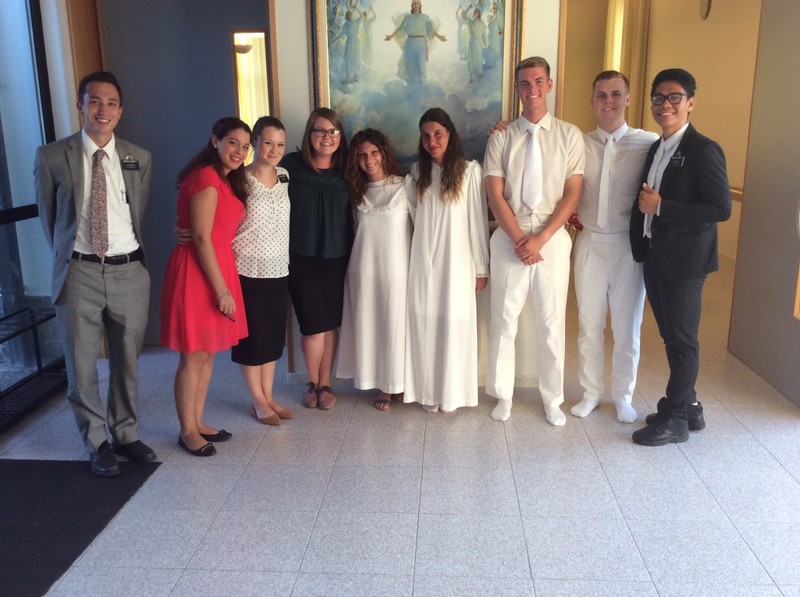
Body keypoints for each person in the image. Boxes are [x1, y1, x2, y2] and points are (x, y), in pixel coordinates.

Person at [34, 71, 155, 476]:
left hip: (129, 271)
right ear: (81, 106)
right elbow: (51, 221)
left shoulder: (138, 157)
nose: (103, 109)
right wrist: (74, 258)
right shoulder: (53, 156)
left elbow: (136, 211)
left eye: (111, 103)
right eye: (95, 101)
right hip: (80, 271)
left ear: (121, 111)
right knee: (82, 365)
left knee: (127, 361)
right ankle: (96, 440)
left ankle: (125, 433)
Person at [630, 68, 731, 445]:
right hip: (656, 254)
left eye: (674, 97)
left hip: (686, 262)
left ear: (691, 103)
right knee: (671, 335)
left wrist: (662, 207)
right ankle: (689, 406)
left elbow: (720, 208)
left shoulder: (704, 150)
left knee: (683, 340)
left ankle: (674, 420)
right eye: (658, 98)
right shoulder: (657, 147)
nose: (665, 105)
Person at [483, 56, 585, 425]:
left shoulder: (569, 135)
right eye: (525, 83)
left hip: (552, 236)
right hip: (509, 235)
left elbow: (573, 194)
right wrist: (519, 239)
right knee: (504, 320)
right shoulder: (502, 136)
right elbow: (495, 194)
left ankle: (552, 399)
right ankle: (503, 394)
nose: (532, 89)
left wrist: (540, 239)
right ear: (517, 90)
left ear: (549, 85)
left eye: (539, 81)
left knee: (551, 322)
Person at [569, 71, 659, 424]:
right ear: (592, 100)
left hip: (627, 244)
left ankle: (623, 396)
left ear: (628, 98)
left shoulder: (648, 142)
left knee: (627, 327)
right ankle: (591, 392)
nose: (609, 101)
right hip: (590, 242)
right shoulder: (578, 141)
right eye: (602, 95)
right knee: (589, 324)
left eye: (616, 94)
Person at [161, 117, 251, 457]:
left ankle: (197, 421)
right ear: (215, 141)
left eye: (245, 147)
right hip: (199, 273)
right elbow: (200, 237)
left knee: (207, 351)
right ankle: (187, 430)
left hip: (216, 265)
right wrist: (222, 291)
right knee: (193, 354)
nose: (239, 151)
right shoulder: (206, 177)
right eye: (233, 143)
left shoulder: (223, 178)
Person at [404, 108, 490, 413]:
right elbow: (412, 218)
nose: (432, 141)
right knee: (425, 323)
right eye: (426, 135)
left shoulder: (469, 171)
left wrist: (481, 266)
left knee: (453, 324)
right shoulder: (417, 173)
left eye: (438, 134)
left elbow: (477, 221)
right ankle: (427, 392)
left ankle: (451, 394)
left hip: (457, 261)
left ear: (449, 134)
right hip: (424, 261)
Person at [336, 129, 412, 411]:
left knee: (396, 326)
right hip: (363, 270)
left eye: (374, 152)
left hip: (397, 271)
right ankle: (381, 384)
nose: (369, 160)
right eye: (361, 155)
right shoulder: (355, 191)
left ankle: (398, 383)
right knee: (371, 325)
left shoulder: (406, 187)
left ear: (384, 153)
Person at [283, 108, 352, 410]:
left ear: (340, 136)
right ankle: (311, 383)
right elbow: (256, 188)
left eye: (333, 131)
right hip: (300, 256)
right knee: (313, 325)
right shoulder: (290, 166)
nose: (327, 137)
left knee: (330, 323)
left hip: (338, 256)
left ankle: (326, 384)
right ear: (309, 133)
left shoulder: (349, 168)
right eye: (320, 130)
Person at [231, 116, 294, 425]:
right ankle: (256, 400)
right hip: (246, 269)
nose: (274, 150)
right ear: (255, 142)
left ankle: (268, 395)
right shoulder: (238, 179)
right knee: (252, 339)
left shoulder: (284, 176)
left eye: (280, 144)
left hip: (278, 268)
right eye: (268, 142)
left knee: (271, 337)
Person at [385, 1, 447, 86]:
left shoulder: (425, 17)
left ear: (420, 5)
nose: (416, 5)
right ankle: (411, 87)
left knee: (421, 66)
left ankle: (422, 86)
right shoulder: (407, 18)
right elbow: (400, 29)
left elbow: (431, 30)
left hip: (421, 44)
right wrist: (391, 36)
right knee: (410, 66)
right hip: (410, 43)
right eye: (414, 3)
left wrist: (439, 37)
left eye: (418, 3)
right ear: (412, 5)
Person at [466, 8, 487, 83]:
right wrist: (468, 7)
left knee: (478, 58)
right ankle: (471, 77)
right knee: (471, 59)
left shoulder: (482, 23)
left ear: (479, 14)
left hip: (478, 42)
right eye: (475, 12)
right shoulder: (470, 22)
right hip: (471, 42)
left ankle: (479, 74)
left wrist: (486, 44)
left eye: (477, 12)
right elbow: (463, 15)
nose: (476, 13)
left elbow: (484, 34)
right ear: (473, 13)